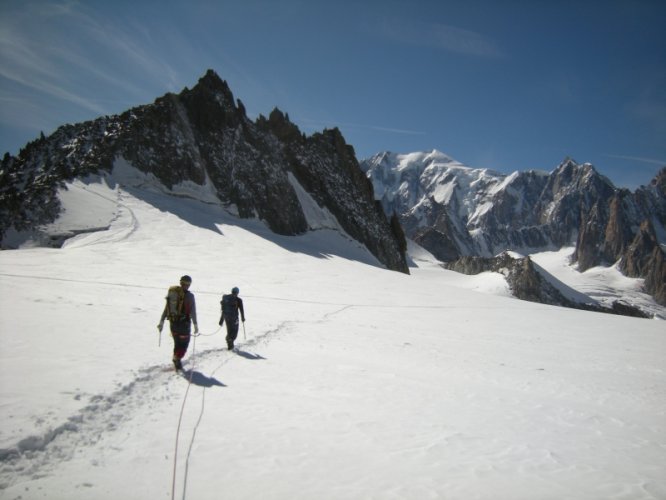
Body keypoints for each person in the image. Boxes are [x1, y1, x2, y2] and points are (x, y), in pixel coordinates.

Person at [158, 275, 199, 370]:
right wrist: (195, 324)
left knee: (177, 343)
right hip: (184, 325)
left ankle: (176, 358)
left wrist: (161, 322)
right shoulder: (190, 296)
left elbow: (166, 309)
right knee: (184, 343)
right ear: (189, 284)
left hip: (173, 324)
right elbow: (193, 311)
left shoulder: (173, 293)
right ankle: (177, 358)